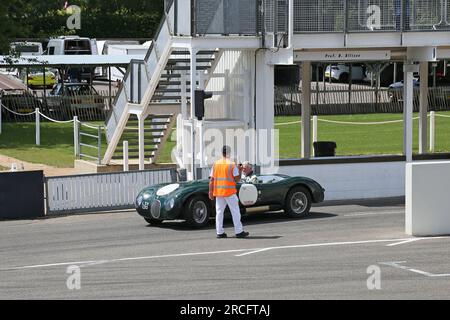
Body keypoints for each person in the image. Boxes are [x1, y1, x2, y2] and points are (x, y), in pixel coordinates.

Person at [209, 146, 250, 239]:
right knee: (235, 212)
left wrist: (210, 192)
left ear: (222, 153)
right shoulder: (231, 164)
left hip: (219, 192)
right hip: (229, 192)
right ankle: (238, 231)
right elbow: (237, 179)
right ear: (229, 153)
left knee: (219, 212)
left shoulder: (216, 164)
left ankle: (219, 232)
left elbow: (211, 179)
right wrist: (239, 170)